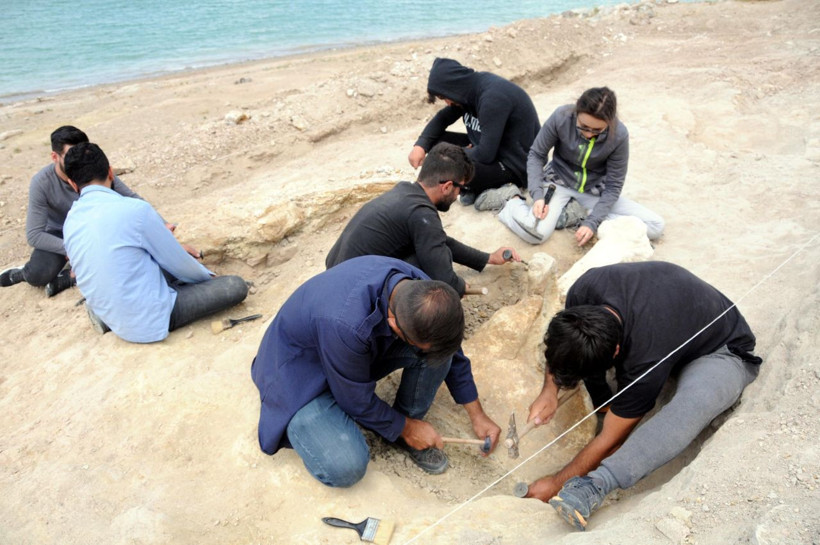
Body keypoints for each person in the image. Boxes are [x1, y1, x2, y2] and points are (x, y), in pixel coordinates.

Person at [520, 261, 761, 530]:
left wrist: (557, 482)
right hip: (671, 321)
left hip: (720, 350)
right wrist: (549, 390)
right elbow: (563, 343)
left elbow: (612, 440)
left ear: (616, 352)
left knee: (690, 409)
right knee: (600, 377)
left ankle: (598, 485)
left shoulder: (646, 359)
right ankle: (604, 406)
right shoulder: (584, 292)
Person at [251, 255, 502, 487]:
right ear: (394, 323)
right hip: (298, 372)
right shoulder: (346, 324)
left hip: (344, 353)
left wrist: (477, 414)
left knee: (437, 354)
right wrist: (408, 427)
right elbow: (354, 399)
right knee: (346, 466)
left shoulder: (421, 291)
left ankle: (399, 431)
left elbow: (449, 349)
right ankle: (400, 429)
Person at [62, 142, 248, 342]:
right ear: (111, 172)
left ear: (73, 184)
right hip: (150, 319)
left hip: (110, 310)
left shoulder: (70, 221)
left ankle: (104, 315)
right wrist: (208, 277)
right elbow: (180, 265)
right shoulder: (135, 210)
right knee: (235, 286)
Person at [326, 142, 520, 297]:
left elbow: (439, 240)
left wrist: (488, 258)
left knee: (430, 250)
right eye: (461, 188)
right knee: (430, 273)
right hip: (350, 296)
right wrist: (459, 286)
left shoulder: (406, 192)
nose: (459, 194)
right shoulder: (422, 213)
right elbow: (444, 279)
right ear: (446, 187)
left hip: (334, 277)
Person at [498, 87, 665, 246]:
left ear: (610, 121)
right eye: (584, 127)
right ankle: (511, 201)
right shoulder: (561, 117)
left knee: (655, 226)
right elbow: (536, 154)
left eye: (597, 130)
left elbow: (614, 185)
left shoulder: (619, 134)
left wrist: (592, 223)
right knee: (536, 234)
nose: (589, 134)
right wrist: (538, 195)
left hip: (594, 191)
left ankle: (578, 214)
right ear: (577, 112)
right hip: (558, 184)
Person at [408, 58, 541, 209]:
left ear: (453, 87)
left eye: (445, 97)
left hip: (515, 164)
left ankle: (502, 189)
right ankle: (472, 188)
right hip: (491, 148)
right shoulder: (466, 93)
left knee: (451, 165)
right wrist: (420, 146)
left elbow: (485, 154)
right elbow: (442, 118)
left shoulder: (492, 98)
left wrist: (458, 154)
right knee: (436, 143)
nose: (447, 102)